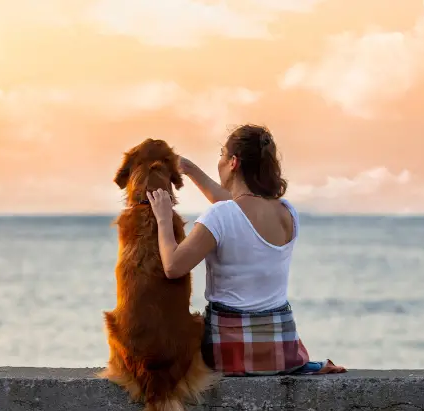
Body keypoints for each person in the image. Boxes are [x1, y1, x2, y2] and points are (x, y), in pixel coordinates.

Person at [146, 124, 346, 376]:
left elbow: (173, 267)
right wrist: (189, 168)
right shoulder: (287, 212)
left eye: (221, 155)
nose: (218, 162)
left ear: (233, 162)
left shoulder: (220, 215)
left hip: (229, 355)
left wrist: (164, 219)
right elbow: (236, 210)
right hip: (282, 353)